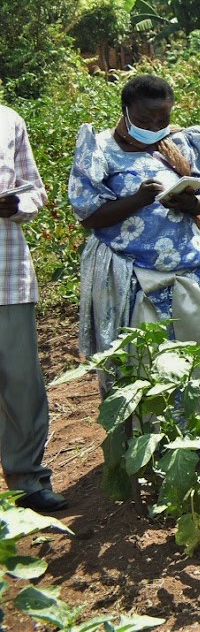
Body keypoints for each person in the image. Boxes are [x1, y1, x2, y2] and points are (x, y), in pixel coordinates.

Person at [70, 74, 200, 423]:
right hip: (132, 275)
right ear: (125, 111)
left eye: (162, 119)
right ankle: (148, 438)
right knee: (143, 364)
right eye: (145, 120)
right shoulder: (100, 149)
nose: (155, 127)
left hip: (188, 270)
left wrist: (190, 203)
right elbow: (89, 215)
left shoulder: (179, 143)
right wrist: (137, 199)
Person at [0, 104, 66, 512]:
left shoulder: (8, 120)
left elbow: (34, 190)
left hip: (6, 276)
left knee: (21, 383)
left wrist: (17, 206)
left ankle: (27, 480)